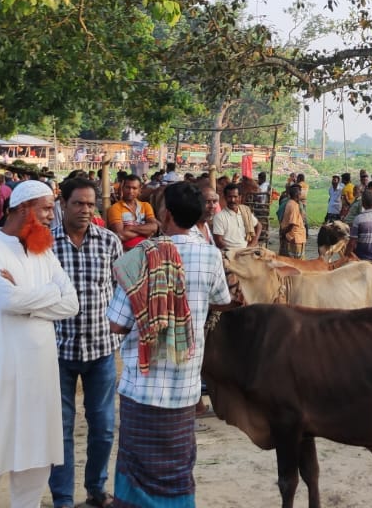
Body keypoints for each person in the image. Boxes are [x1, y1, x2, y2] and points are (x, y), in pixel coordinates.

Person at [0, 181, 82, 508]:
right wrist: (47, 295)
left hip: (39, 377)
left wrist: (25, 299)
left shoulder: (44, 252)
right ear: (23, 209)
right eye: (45, 209)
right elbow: (6, 300)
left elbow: (71, 304)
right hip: (0, 374)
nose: (52, 216)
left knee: (35, 463)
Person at [107, 183, 233, 508]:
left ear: (165, 215)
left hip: (141, 385)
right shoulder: (210, 256)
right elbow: (222, 301)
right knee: (178, 467)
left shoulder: (139, 257)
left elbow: (117, 324)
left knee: (136, 464)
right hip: (185, 386)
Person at [48, 178, 123, 508]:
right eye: (78, 203)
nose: (85, 210)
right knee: (61, 429)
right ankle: (63, 498)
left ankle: (96, 489)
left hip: (101, 349)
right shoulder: (45, 244)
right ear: (63, 203)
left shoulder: (109, 241)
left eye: (91, 204)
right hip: (57, 350)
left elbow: (121, 290)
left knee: (103, 427)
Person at [108, 174, 159, 250]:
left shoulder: (146, 206)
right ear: (122, 188)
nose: (130, 191)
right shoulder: (115, 208)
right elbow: (121, 235)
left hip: (147, 250)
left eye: (134, 188)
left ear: (139, 189)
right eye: (127, 187)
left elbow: (154, 227)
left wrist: (130, 228)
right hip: (126, 252)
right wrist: (146, 231)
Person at [210, 183, 261, 253]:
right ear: (225, 197)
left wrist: (253, 243)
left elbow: (259, 226)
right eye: (229, 197)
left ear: (240, 197)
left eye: (235, 196)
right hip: (229, 254)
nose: (232, 200)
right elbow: (218, 241)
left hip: (246, 251)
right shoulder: (219, 217)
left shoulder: (245, 211)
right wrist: (234, 253)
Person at [279, 184, 308, 258]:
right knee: (296, 261)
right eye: (300, 194)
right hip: (295, 238)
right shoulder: (294, 205)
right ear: (297, 195)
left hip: (291, 236)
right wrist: (285, 233)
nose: (301, 196)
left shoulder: (289, 203)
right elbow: (292, 223)